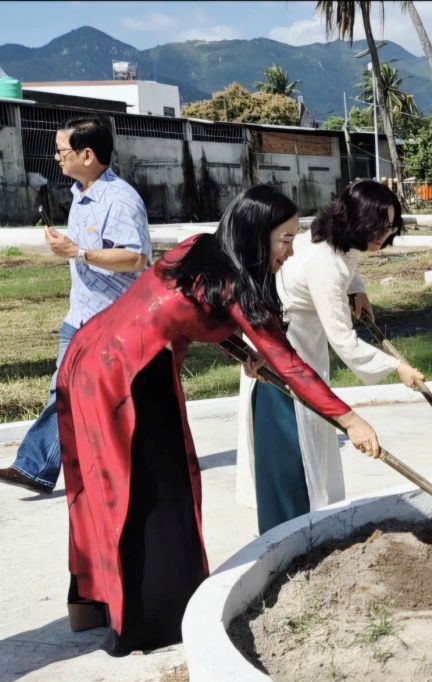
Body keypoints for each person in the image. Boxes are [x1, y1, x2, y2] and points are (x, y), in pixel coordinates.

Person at [56, 185, 383, 656]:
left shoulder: (201, 250)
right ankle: (155, 621)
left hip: (92, 356)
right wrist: (350, 420)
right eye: (284, 240)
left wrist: (239, 348)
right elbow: (290, 364)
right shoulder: (233, 285)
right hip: (128, 380)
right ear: (256, 235)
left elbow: (181, 310)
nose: (290, 253)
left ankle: (91, 604)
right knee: (153, 495)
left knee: (98, 484)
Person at [234, 180, 426, 533]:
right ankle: (288, 535)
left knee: (314, 445)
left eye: (391, 226)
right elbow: (344, 340)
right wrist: (397, 367)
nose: (385, 235)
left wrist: (359, 290)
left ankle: (310, 526)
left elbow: (348, 266)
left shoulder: (333, 240)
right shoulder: (327, 262)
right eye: (380, 227)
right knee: (293, 453)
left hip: (302, 343)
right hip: (281, 357)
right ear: (359, 223)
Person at [1, 117, 150, 498]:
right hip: (80, 317)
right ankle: (36, 467)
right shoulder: (81, 194)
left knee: (109, 399)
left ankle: (130, 469)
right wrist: (69, 248)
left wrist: (78, 252)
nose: (56, 158)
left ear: (88, 154)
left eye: (62, 151)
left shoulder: (119, 200)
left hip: (112, 321)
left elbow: (135, 259)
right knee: (64, 392)